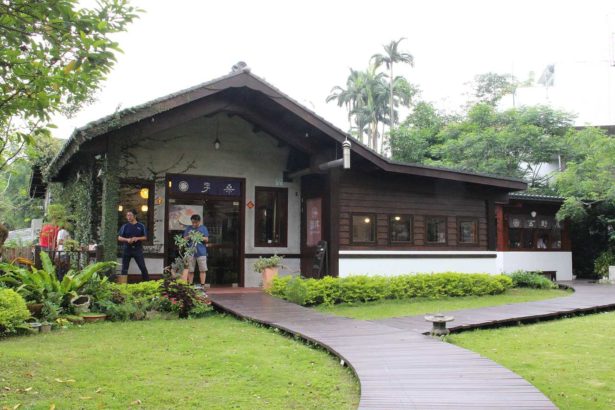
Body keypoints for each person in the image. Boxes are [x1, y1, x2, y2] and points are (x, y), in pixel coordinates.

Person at [118, 210, 150, 281]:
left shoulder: (141, 226)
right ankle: (122, 284)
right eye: (127, 215)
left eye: (130, 215)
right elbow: (119, 238)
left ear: (135, 216)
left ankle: (147, 283)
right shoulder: (125, 226)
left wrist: (137, 238)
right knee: (124, 268)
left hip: (137, 249)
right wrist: (127, 240)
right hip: (127, 249)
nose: (128, 217)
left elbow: (145, 237)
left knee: (142, 267)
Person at [182, 214, 209, 289]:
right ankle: (190, 285)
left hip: (201, 252)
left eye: (195, 222)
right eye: (193, 222)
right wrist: (190, 236)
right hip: (190, 251)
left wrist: (198, 237)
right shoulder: (189, 228)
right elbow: (184, 239)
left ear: (199, 221)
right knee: (190, 270)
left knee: (203, 270)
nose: (194, 224)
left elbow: (207, 239)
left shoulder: (203, 228)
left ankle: (202, 286)